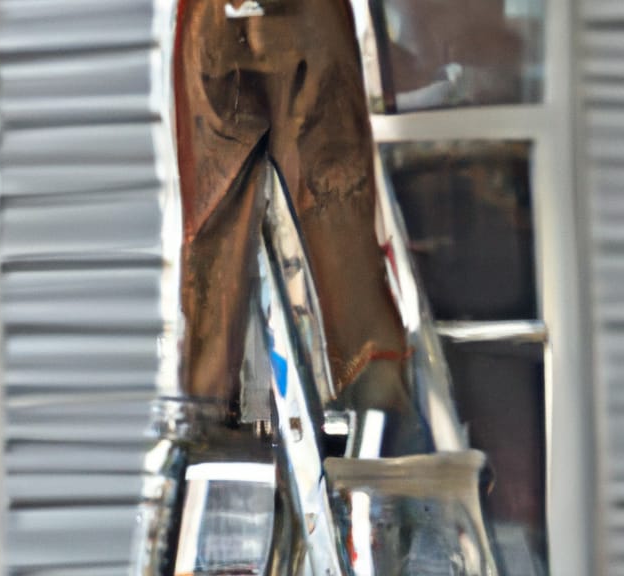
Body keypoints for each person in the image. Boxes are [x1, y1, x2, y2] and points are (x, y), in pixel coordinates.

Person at [174, 0, 431, 454]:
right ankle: (382, 419)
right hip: (290, 18)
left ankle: (209, 427)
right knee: (333, 205)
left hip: (215, 17)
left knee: (217, 234)